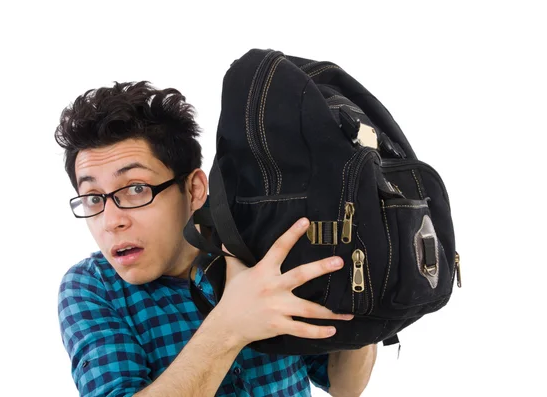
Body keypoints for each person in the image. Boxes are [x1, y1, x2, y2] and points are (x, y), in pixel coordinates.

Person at [56, 81, 377, 397]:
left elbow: (344, 386)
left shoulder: (262, 248)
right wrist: (230, 324)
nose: (111, 222)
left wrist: (363, 290)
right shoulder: (91, 288)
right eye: (93, 198)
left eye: (136, 189)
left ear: (194, 189)